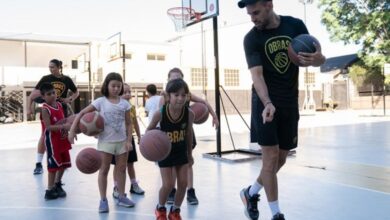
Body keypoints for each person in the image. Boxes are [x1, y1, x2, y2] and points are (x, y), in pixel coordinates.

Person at [237, 1, 326, 220]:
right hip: (265, 103)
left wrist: (319, 59)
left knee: (282, 158)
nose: (253, 18)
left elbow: (317, 57)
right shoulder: (251, 38)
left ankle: (250, 193)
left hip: (289, 101)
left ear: (269, 4)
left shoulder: (295, 26)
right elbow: (256, 76)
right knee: (270, 158)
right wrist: (267, 102)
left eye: (256, 12)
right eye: (250, 14)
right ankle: (276, 214)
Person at [68, 72, 135, 213]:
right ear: (107, 86)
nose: (116, 88)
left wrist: (129, 141)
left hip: (122, 142)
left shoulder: (125, 104)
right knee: (104, 170)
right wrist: (72, 130)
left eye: (118, 86)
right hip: (105, 142)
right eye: (113, 86)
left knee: (122, 170)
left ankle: (121, 196)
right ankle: (103, 200)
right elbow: (80, 114)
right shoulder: (101, 102)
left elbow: (129, 124)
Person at [160, 67, 219, 205]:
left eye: (179, 78)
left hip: (185, 132)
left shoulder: (186, 94)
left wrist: (214, 116)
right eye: (173, 78)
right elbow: (159, 117)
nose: (176, 80)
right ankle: (172, 190)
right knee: (173, 164)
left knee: (187, 161)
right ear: (168, 80)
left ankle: (190, 190)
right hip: (169, 134)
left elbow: (204, 103)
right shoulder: (165, 97)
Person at [148, 78, 194, 220]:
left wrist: (190, 154)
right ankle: (160, 207)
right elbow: (148, 132)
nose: (180, 98)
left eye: (183, 95)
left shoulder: (189, 114)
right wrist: (153, 144)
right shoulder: (160, 113)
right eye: (176, 95)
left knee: (183, 183)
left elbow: (188, 134)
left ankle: (175, 210)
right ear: (168, 96)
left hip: (181, 151)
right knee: (168, 185)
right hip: (165, 153)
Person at [27, 59, 79, 175]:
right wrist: (28, 108)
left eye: (53, 67)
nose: (51, 69)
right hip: (49, 111)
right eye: (49, 67)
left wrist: (69, 99)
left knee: (61, 136)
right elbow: (32, 94)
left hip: (61, 110)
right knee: (45, 135)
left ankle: (61, 161)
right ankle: (39, 164)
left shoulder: (66, 79)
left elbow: (76, 92)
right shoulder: (46, 79)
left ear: (59, 67)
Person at [39, 83, 72, 200]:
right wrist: (64, 127)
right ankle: (49, 189)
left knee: (64, 164)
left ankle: (57, 183)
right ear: (43, 96)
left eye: (53, 92)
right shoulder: (45, 109)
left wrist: (71, 130)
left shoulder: (59, 105)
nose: (52, 95)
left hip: (62, 139)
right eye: (49, 94)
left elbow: (63, 121)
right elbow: (48, 127)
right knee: (53, 166)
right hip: (52, 142)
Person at [112, 83, 145, 198]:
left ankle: (134, 184)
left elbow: (135, 122)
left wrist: (139, 136)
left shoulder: (131, 108)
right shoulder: (115, 107)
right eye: (125, 92)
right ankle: (116, 187)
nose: (128, 94)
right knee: (117, 165)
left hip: (129, 140)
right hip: (117, 140)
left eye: (129, 92)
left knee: (130, 164)